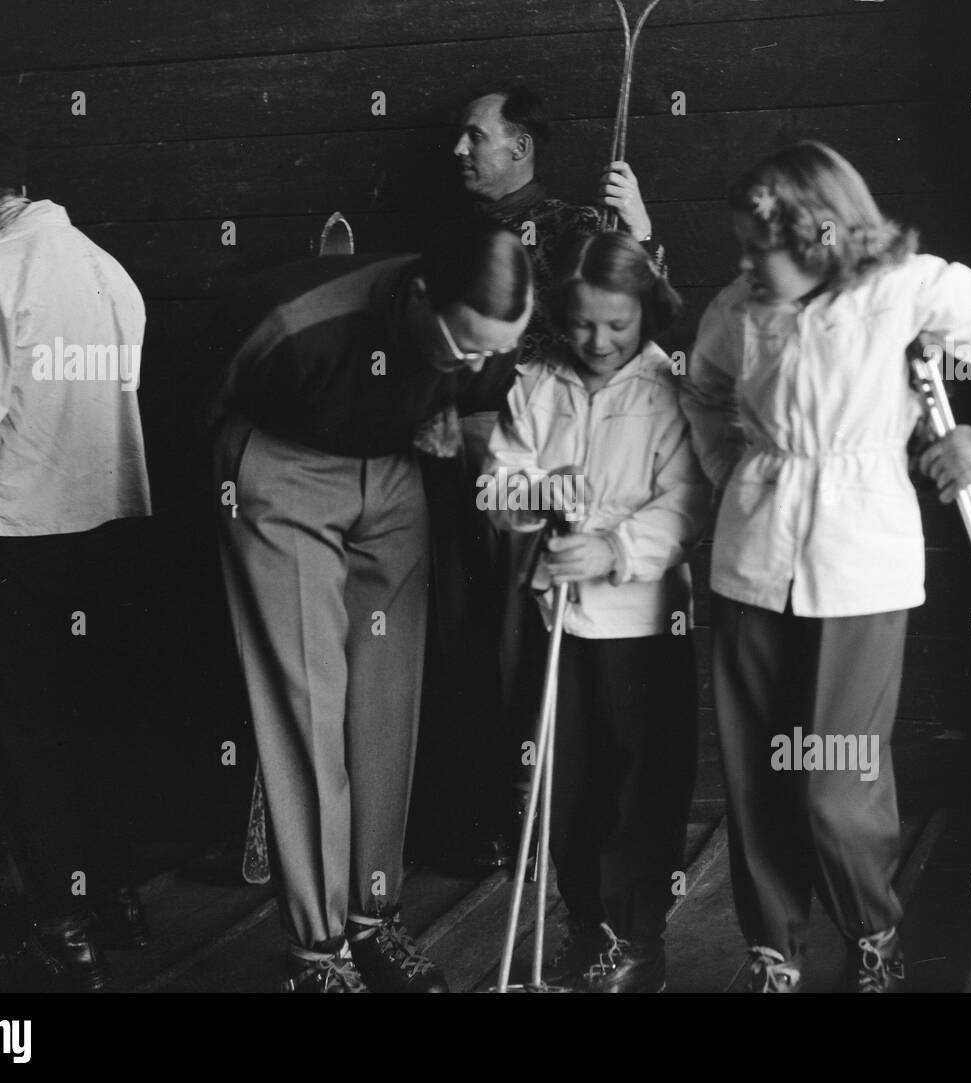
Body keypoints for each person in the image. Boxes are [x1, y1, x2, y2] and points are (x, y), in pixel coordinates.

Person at [681, 141, 971, 993]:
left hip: (858, 565)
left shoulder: (904, 288)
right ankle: (773, 950)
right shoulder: (740, 308)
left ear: (821, 232)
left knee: (834, 772)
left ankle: (872, 931)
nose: (745, 262)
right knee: (758, 769)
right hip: (750, 562)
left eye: (760, 246)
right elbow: (703, 391)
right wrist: (732, 472)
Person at [206, 222, 534, 994]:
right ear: (420, 298)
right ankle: (319, 952)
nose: (484, 362)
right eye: (467, 348)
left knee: (386, 700)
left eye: (499, 348)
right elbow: (206, 403)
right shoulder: (298, 323)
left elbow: (488, 416)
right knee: (309, 700)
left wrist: (524, 494)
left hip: (392, 475)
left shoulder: (484, 329)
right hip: (285, 472)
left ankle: (371, 916)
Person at [0, 123, 154, 991]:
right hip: (113, 528)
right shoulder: (105, 268)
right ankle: (116, 900)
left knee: (29, 737)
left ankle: (63, 930)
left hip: (20, 536)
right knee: (97, 721)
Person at [414, 84, 667, 870]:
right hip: (443, 463)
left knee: (517, 644)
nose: (461, 149)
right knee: (454, 638)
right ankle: (475, 814)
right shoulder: (453, 235)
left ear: (519, 145)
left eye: (474, 134)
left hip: (529, 468)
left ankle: (532, 812)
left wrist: (640, 229)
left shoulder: (573, 227)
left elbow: (635, 311)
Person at [485, 231, 711, 992]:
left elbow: (689, 502)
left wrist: (615, 548)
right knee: (570, 785)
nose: (600, 340)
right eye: (583, 323)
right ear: (561, 313)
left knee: (639, 785)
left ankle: (637, 938)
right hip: (560, 622)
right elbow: (498, 483)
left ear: (647, 310)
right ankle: (586, 926)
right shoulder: (537, 383)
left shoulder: (665, 388)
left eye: (618, 324)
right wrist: (539, 493)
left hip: (643, 625)